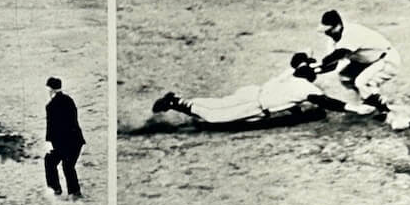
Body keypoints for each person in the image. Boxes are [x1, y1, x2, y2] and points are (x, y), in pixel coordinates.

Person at [150, 52, 375, 125]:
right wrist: (355, 109)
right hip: (256, 104)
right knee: (214, 117)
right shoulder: (306, 89)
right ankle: (176, 103)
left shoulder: (292, 73)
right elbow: (329, 102)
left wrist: (314, 61)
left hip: (252, 92)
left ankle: (178, 101)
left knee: (216, 103)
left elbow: (305, 63)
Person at [317, 9, 400, 113]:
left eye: (329, 30)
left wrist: (319, 64)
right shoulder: (333, 40)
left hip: (385, 60)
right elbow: (333, 64)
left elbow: (340, 53)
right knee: (345, 77)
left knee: (362, 82)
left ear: (338, 26)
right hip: (366, 62)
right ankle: (369, 101)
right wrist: (315, 70)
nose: (327, 33)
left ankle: (384, 110)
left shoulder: (352, 33)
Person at [44, 76, 85, 199]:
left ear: (51, 90)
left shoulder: (51, 106)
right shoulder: (69, 100)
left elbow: (51, 126)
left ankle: (55, 189)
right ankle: (74, 192)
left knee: (50, 161)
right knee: (68, 166)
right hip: (76, 141)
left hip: (63, 143)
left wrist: (49, 143)